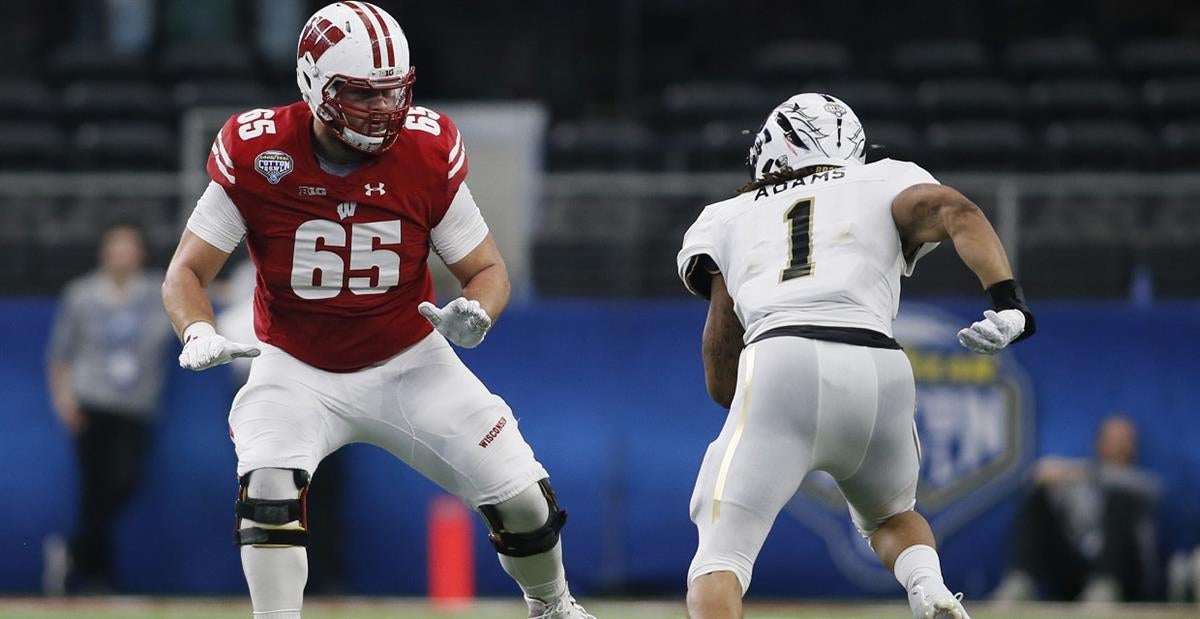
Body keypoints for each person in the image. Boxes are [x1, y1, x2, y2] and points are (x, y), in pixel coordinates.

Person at [160, 3, 592, 618]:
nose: (384, 110)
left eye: (394, 93)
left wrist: (477, 310)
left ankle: (553, 607)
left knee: (525, 500)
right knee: (268, 494)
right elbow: (186, 272)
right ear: (315, 83)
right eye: (364, 94)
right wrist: (196, 326)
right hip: (295, 367)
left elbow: (486, 270)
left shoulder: (425, 146)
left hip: (408, 360)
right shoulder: (260, 152)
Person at [675, 93, 1038, 619]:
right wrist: (1009, 304)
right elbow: (960, 211)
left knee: (720, 555)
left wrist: (751, 409)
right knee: (893, 516)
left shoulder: (726, 215)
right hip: (879, 365)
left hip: (782, 356)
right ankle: (929, 588)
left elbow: (720, 358)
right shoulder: (886, 178)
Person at [44, 221, 175, 593]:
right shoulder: (82, 294)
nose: (121, 255)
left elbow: (195, 294)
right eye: (115, 247)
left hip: (136, 405)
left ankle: (75, 552)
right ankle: (98, 578)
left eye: (128, 247)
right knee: (92, 490)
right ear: (104, 252)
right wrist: (63, 398)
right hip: (92, 400)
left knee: (123, 482)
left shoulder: (157, 291)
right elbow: (60, 353)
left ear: (140, 253)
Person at [993, 414, 1161, 604]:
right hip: (1078, 572)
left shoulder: (1139, 483)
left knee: (1121, 498)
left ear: (1133, 447)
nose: (1118, 447)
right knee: (1038, 496)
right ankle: (1020, 581)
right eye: (1111, 440)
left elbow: (1146, 487)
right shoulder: (1077, 485)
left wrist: (1077, 471)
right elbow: (1036, 475)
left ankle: (1105, 588)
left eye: (1124, 441)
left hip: (1125, 577)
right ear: (1098, 443)